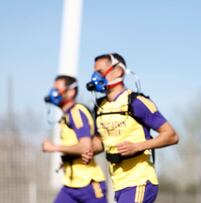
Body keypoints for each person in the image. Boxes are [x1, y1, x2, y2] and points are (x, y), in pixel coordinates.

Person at [83, 53, 179, 203]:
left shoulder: (137, 102)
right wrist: (90, 150)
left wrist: (138, 146)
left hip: (140, 181)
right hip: (118, 184)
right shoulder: (99, 107)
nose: (95, 77)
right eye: (94, 72)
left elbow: (171, 135)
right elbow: (102, 140)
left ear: (119, 71)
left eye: (100, 72)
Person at [42, 75, 107, 203]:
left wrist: (53, 147)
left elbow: (85, 147)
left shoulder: (76, 112)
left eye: (57, 89)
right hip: (71, 185)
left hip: (89, 184)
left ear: (71, 91)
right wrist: (67, 159)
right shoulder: (66, 115)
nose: (53, 93)